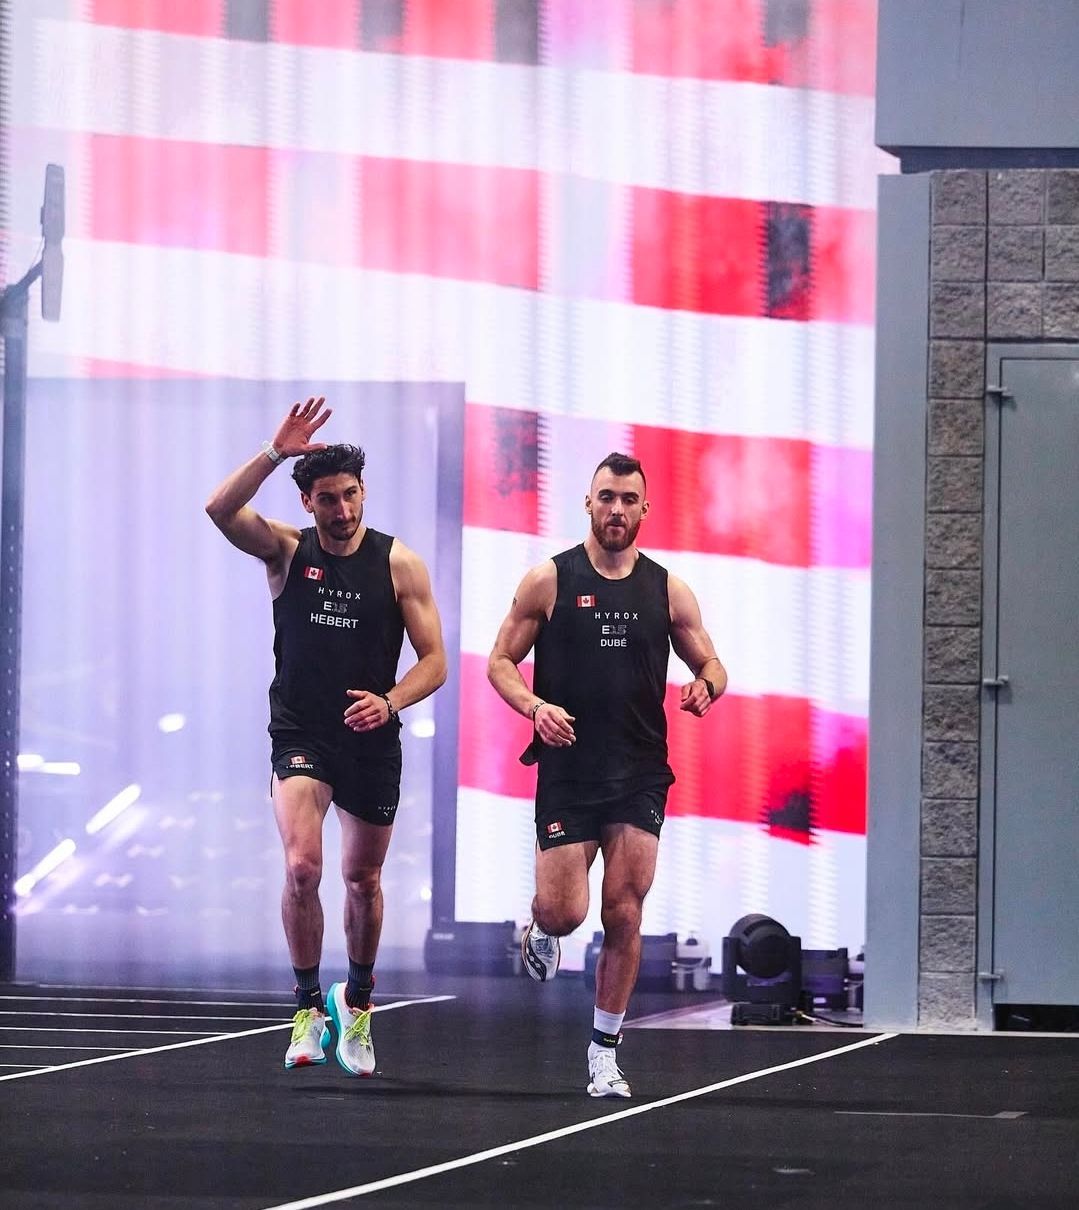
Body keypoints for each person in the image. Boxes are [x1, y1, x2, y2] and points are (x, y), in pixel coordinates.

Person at [206, 396, 447, 1076]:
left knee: (362, 881)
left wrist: (390, 702)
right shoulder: (286, 550)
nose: (341, 510)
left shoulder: (399, 564)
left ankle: (358, 1004)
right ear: (307, 503)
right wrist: (274, 452)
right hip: (301, 733)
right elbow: (219, 509)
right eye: (326, 499)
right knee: (302, 868)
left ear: (363, 491)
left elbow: (434, 661)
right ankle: (308, 1006)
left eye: (349, 495)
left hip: (370, 738)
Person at [487, 451, 726, 1098]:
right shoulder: (549, 580)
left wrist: (706, 686)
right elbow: (500, 662)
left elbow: (711, 663)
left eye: (627, 499)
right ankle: (540, 926)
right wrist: (534, 708)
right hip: (569, 770)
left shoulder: (668, 589)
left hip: (639, 771)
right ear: (587, 504)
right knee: (567, 912)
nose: (616, 509)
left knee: (624, 910)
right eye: (606, 497)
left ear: (644, 509)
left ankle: (604, 1052)